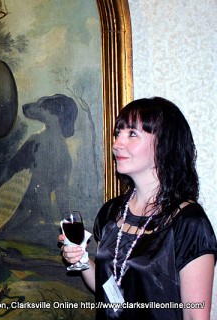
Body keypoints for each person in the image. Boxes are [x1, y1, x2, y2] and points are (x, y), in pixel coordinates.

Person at [61, 97, 217, 320]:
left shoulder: (189, 223)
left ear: (164, 143)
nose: (116, 144)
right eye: (118, 133)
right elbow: (107, 286)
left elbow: (195, 315)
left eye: (132, 134)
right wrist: (82, 260)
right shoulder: (111, 213)